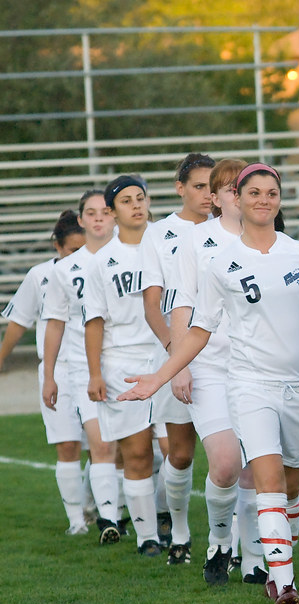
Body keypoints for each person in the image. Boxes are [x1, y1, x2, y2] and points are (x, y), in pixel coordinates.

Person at [118, 163, 299, 604]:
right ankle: (274, 575)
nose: (260, 199)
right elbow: (193, 322)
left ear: (279, 200)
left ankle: (267, 559)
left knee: (288, 483)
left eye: (270, 192)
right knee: (247, 469)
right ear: (231, 197)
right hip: (237, 376)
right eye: (249, 191)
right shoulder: (211, 255)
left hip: (297, 386)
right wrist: (163, 374)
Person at [164, 157, 266, 586]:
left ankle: (256, 557)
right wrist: (179, 364)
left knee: (255, 467)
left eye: (236, 188)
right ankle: (220, 542)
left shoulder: (270, 240)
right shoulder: (195, 241)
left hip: (258, 366)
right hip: (207, 364)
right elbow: (179, 304)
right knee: (224, 464)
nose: (230, 195)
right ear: (220, 198)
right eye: (223, 189)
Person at [141, 152, 217, 562]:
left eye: (212, 186)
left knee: (234, 456)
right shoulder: (159, 233)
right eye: (199, 186)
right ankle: (180, 533)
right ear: (180, 188)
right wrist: (179, 360)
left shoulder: (229, 228)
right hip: (177, 355)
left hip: (225, 355)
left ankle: (237, 548)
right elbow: (154, 308)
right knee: (182, 452)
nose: (207, 195)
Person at [83, 175, 163, 557]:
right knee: (137, 453)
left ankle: (174, 524)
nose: (136, 205)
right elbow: (94, 320)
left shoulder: (169, 244)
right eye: (126, 201)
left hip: (170, 355)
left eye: (141, 198)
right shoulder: (102, 262)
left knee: (175, 450)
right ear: (113, 213)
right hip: (122, 362)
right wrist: (95, 372)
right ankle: (149, 537)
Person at [0, 211, 88, 534]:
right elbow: (19, 321)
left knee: (105, 447)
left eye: (84, 248)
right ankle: (77, 521)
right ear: (57, 246)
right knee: (67, 446)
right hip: (58, 370)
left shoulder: (101, 268)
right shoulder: (40, 276)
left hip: (96, 368)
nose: (78, 257)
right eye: (71, 251)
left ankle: (95, 504)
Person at [40, 192, 119, 541]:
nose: (99, 218)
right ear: (82, 220)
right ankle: (109, 520)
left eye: (105, 211)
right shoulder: (65, 269)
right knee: (100, 445)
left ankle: (155, 523)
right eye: (91, 212)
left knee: (148, 450)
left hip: (133, 362)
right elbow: (55, 322)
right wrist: (49, 375)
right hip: (84, 367)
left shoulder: (136, 255)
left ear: (114, 216)